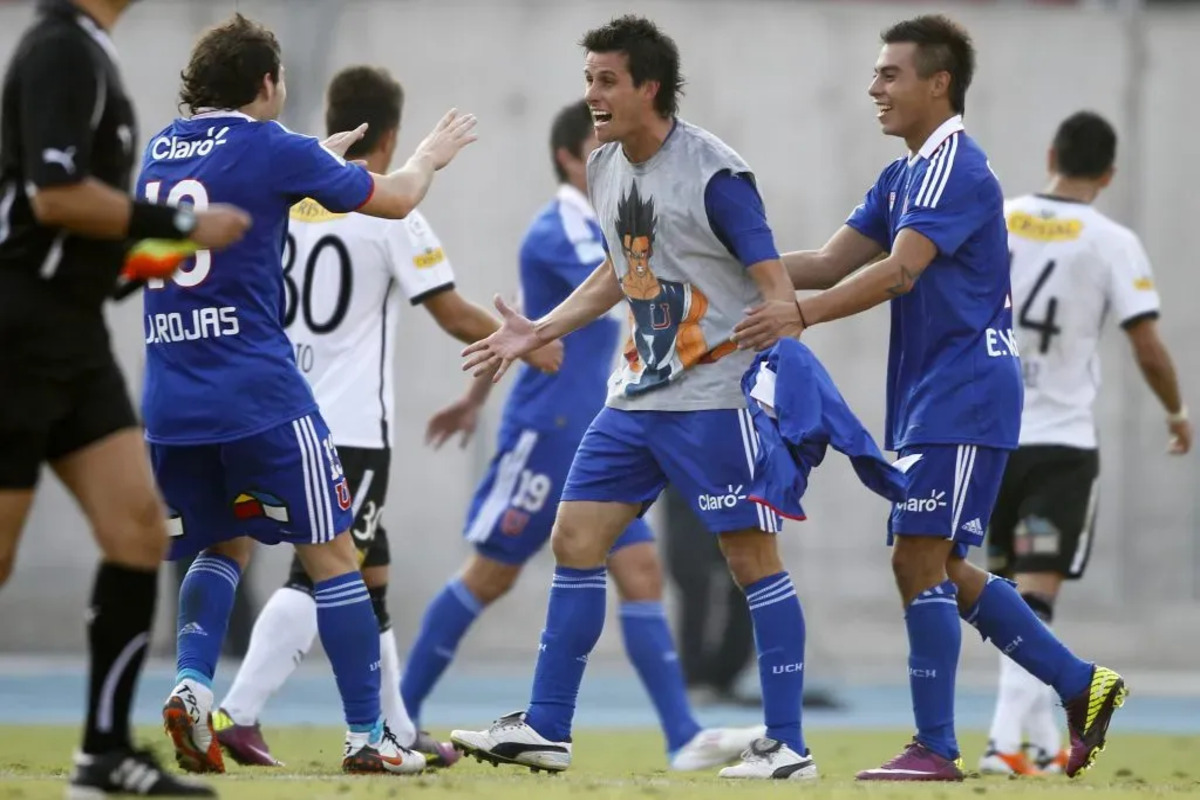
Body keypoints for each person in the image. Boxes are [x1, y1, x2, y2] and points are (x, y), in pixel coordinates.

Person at [734, 14, 1128, 782]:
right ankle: (1083, 684)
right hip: (934, 395)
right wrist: (724, 265)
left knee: (919, 559)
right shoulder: (903, 173)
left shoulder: (957, 167)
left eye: (891, 74)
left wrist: (800, 315)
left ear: (937, 83)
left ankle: (937, 748)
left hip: (966, 392)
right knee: (938, 562)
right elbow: (822, 261)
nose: (874, 87)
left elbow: (900, 271)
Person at [450, 16, 819, 781]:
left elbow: (775, 285)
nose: (592, 94)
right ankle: (548, 727)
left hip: (715, 397)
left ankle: (788, 746)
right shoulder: (605, 166)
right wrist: (536, 329)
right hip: (635, 398)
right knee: (574, 539)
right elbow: (620, 272)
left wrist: (776, 369)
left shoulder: (718, 175)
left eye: (606, 80)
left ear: (648, 86)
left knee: (750, 559)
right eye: (588, 79)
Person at [133, 14, 475, 776]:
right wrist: (429, 156)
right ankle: (367, 739)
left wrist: (311, 159)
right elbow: (397, 197)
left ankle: (193, 685)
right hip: (258, 394)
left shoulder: (159, 152)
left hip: (170, 399)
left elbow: (184, 229)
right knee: (334, 557)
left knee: (222, 544)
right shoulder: (269, 146)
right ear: (265, 82)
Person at [209, 65, 560, 771]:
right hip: (352, 431)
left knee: (371, 575)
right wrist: (530, 344)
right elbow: (453, 311)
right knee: (320, 578)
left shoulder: (293, 194)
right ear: (391, 133)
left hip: (279, 409)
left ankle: (396, 726)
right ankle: (236, 713)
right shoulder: (386, 207)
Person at [405, 98, 761, 772]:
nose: (614, 156)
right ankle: (395, 712)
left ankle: (682, 732)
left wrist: (471, 396)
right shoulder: (557, 229)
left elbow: (526, 325)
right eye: (600, 146)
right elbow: (621, 283)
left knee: (641, 570)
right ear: (573, 158)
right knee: (489, 577)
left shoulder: (598, 222)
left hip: (596, 434)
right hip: (545, 433)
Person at [0, 1, 250, 796]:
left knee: (139, 530)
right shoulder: (59, 49)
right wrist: (182, 221)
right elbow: (55, 197)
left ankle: (101, 755)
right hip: (19, 331)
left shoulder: (93, 52)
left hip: (72, 339)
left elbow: (93, 235)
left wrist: (148, 254)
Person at [979, 111, 1191, 776]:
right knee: (1034, 594)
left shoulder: (1000, 217)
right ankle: (1004, 741)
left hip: (989, 438)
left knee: (1005, 594)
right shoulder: (1110, 240)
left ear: (1050, 152)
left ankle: (1035, 740)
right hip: (1059, 448)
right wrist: (1177, 410)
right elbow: (1146, 343)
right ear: (1109, 173)